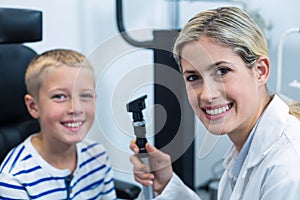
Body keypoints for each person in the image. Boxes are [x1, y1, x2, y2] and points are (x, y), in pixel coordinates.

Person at [130, 6, 300, 200]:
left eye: (222, 71)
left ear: (260, 71)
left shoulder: (289, 169)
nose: (207, 95)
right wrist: (169, 183)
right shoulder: (243, 150)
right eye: (193, 77)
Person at [0, 49, 116, 199]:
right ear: (34, 107)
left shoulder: (98, 156)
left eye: (86, 95)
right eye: (60, 96)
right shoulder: (14, 179)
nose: (76, 108)